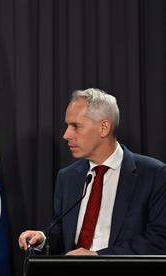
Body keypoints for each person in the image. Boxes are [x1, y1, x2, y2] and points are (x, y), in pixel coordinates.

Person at [19, 88, 166, 255]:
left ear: (104, 128)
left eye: (75, 126)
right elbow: (62, 233)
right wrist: (42, 239)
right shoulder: (67, 177)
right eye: (67, 126)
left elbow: (159, 240)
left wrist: (98, 258)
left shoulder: (154, 175)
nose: (66, 135)